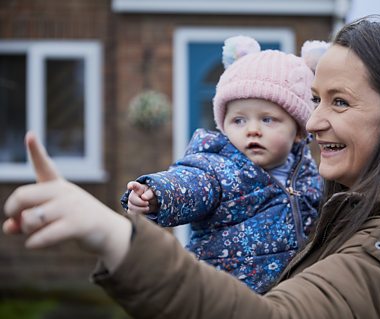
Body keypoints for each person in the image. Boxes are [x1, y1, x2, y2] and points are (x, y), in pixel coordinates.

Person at [3, 17, 380, 319]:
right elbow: (192, 182)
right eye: (315, 99)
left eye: (339, 101)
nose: (313, 122)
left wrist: (113, 237)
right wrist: (152, 196)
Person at [120, 35, 324, 293]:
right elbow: (190, 183)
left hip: (290, 300)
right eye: (239, 120)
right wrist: (157, 194)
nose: (252, 130)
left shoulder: (311, 175)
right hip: (222, 297)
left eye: (268, 119)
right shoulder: (218, 169)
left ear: (298, 131)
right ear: (223, 125)